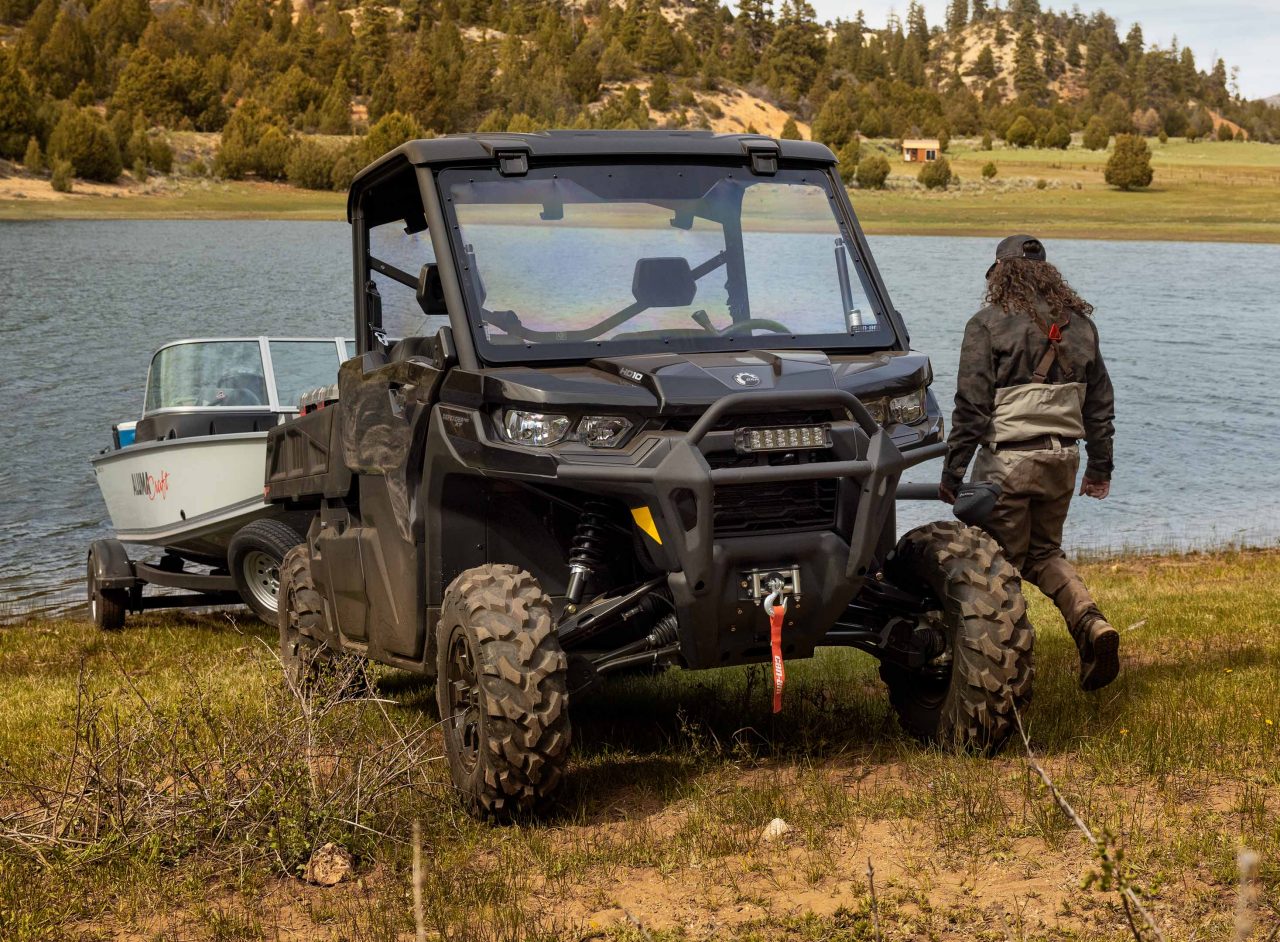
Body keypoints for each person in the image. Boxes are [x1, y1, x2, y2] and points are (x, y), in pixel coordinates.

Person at [940, 235, 1120, 691]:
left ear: (999, 274)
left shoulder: (986, 325)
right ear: (1048, 275)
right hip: (1063, 460)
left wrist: (953, 471)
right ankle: (1092, 624)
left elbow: (972, 407)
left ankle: (1002, 669)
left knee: (994, 564)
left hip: (1009, 464)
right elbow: (1100, 407)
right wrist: (1100, 468)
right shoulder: (1081, 326)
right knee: (1043, 553)